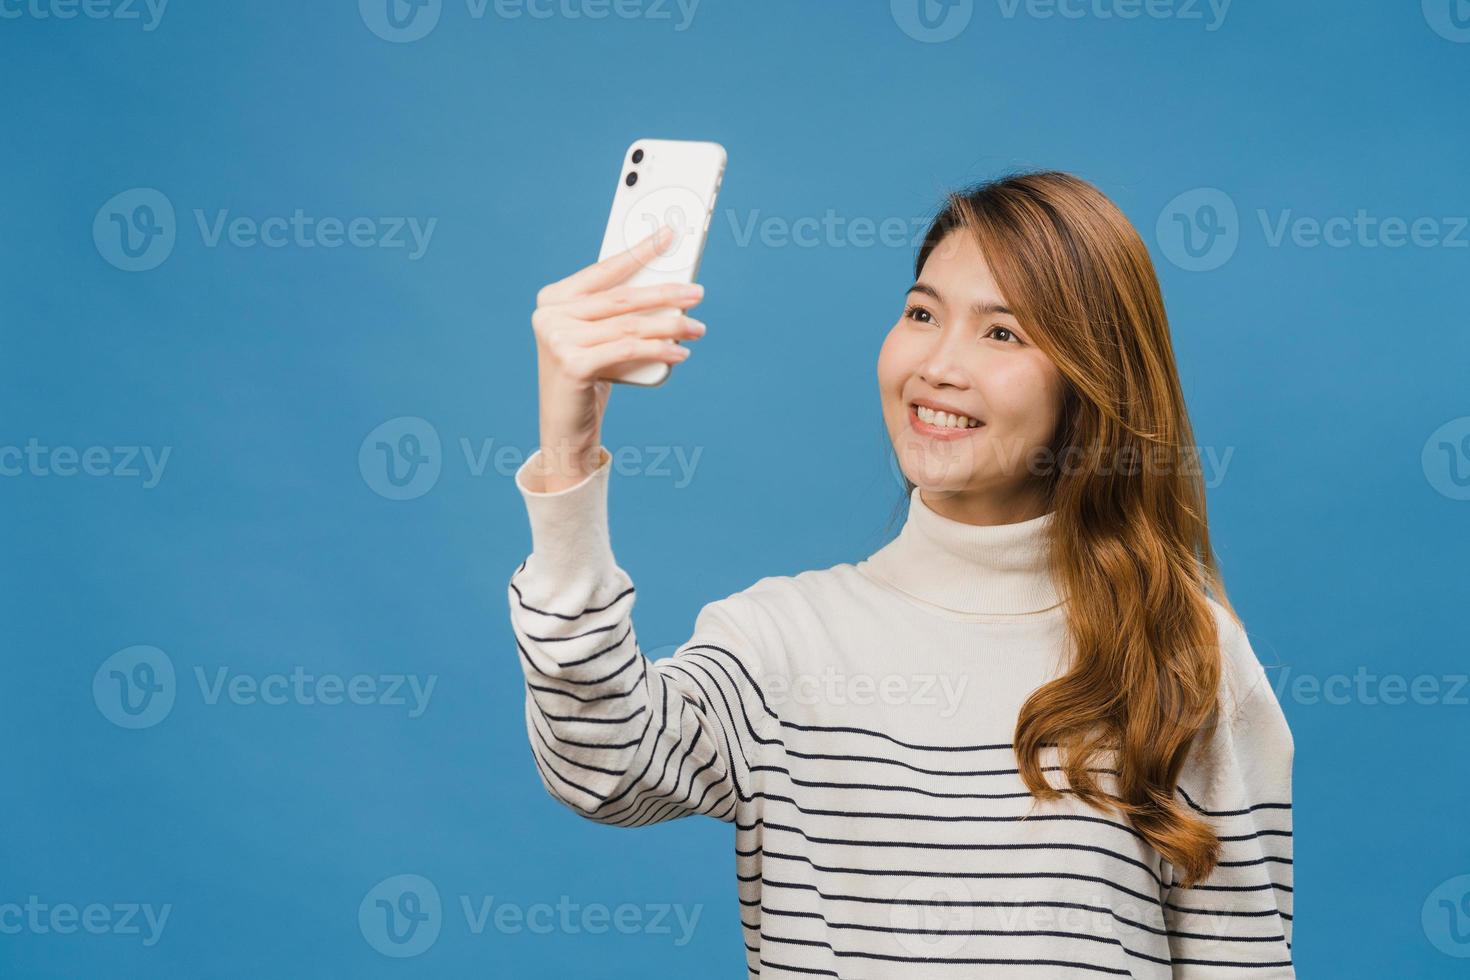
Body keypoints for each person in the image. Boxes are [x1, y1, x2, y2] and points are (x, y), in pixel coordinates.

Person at [506, 171, 1294, 979]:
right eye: (922, 314)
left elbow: (1244, 962)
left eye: (1003, 334)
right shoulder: (780, 643)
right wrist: (568, 455)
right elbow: (599, 763)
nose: (939, 366)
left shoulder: (1181, 652)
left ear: (1091, 381)